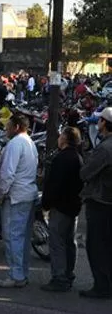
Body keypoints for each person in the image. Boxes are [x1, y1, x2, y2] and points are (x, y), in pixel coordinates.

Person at [0, 113, 39, 288]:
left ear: (17, 127)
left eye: (8, 126)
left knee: (13, 237)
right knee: (22, 237)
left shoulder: (15, 144)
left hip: (16, 196)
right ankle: (21, 272)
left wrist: (0, 194)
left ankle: (16, 275)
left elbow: (7, 174)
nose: (6, 129)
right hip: (27, 194)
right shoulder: (30, 143)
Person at [40, 126, 83, 292]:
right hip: (73, 206)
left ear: (65, 139)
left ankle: (59, 277)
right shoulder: (77, 157)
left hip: (61, 206)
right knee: (69, 241)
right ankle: (68, 273)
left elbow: (54, 185)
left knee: (57, 242)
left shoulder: (62, 158)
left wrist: (46, 204)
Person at [79, 107, 112, 299]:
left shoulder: (105, 149)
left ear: (104, 124)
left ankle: (102, 285)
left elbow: (85, 173)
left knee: (97, 245)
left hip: (100, 200)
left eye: (100, 121)